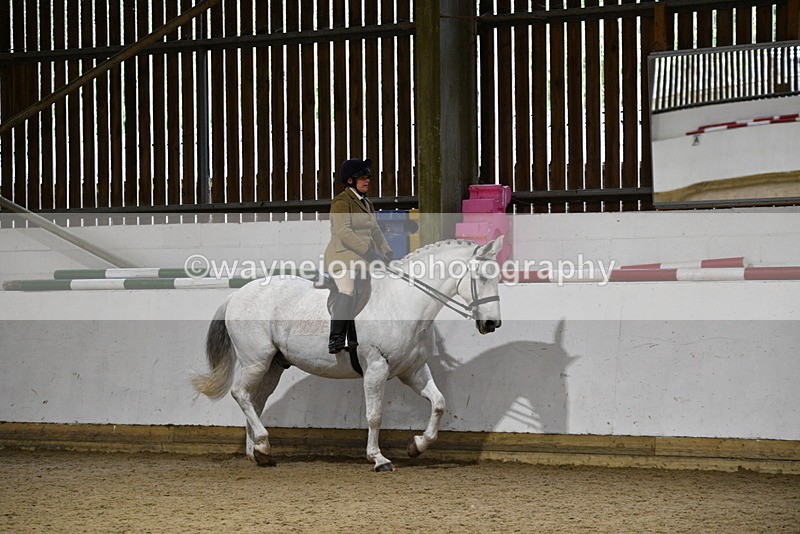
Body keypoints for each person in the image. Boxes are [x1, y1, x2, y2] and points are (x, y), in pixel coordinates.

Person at [323, 158, 393, 354]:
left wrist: (387, 250)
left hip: (363, 258)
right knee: (348, 289)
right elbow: (344, 232)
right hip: (342, 257)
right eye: (362, 177)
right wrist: (369, 251)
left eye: (368, 176)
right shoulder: (341, 202)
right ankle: (336, 338)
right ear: (350, 181)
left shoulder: (367, 202)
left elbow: (376, 230)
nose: (367, 180)